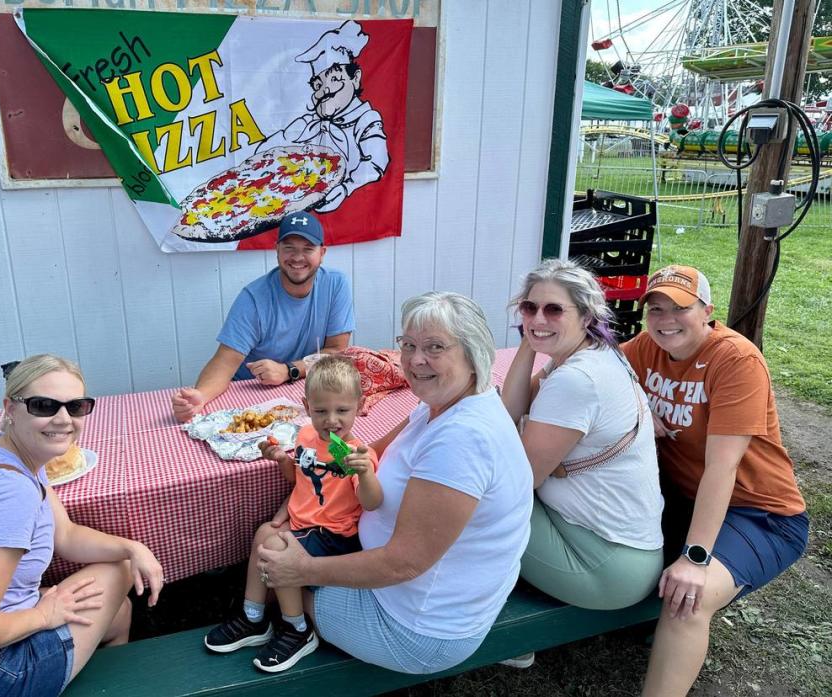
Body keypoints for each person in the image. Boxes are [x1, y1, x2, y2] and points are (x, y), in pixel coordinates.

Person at [256, 292, 533, 675]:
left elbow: (404, 563)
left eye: (435, 347)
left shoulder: (462, 441)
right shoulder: (442, 404)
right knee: (281, 543)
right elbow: (368, 454)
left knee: (274, 568)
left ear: (473, 354)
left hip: (415, 628)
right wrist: (300, 493)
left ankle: (291, 625)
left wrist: (303, 571)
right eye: (409, 345)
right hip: (437, 595)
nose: (416, 360)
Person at [0, 354, 164, 697]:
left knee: (120, 611)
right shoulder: (10, 495)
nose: (63, 419)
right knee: (116, 573)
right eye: (43, 405)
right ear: (10, 409)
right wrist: (45, 615)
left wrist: (134, 547)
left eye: (76, 407)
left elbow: (66, 535)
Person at [622, 265, 808, 697]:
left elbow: (723, 468)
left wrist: (695, 556)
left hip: (761, 513)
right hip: (681, 498)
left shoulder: (736, 359)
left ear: (707, 311)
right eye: (656, 309)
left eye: (680, 308)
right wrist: (638, 405)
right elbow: (595, 366)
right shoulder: (645, 347)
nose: (666, 320)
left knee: (688, 599)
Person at [502, 259, 664, 613]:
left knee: (473, 498)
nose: (538, 318)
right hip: (619, 546)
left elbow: (518, 481)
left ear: (587, 317)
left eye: (554, 310)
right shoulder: (591, 352)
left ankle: (468, 618)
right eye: (529, 308)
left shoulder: (577, 380)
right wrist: (532, 339)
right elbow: (510, 410)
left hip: (604, 564)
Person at [203, 355, 381, 673]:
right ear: (306, 405)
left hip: (334, 534)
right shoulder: (305, 438)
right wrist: (282, 461)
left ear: (360, 404)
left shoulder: (357, 453)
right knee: (262, 535)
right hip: (302, 523)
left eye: (342, 410)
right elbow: (299, 477)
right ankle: (254, 617)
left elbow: (370, 502)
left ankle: (297, 628)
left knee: (276, 552)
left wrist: (366, 474)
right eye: (321, 411)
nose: (331, 420)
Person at [171, 211, 354, 422]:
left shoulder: (336, 284)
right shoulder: (253, 298)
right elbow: (225, 362)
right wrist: (200, 396)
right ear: (276, 250)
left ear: (322, 253)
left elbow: (338, 351)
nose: (297, 257)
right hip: (250, 394)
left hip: (305, 391)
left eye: (308, 249)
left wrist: (289, 370)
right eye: (289, 248)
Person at [259, 20, 389, 212]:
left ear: (355, 78)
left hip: (352, 212)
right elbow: (274, 144)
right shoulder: (310, 122)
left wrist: (346, 188)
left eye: (335, 79)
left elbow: (377, 162)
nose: (326, 89)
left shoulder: (366, 120)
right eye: (318, 85)